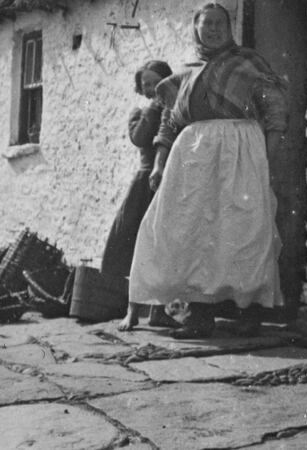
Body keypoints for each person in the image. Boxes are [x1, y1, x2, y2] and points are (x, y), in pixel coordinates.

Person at [118, 2, 288, 339]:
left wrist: (266, 160)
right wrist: (160, 164)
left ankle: (249, 313)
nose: (213, 29)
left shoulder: (248, 63)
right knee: (192, 231)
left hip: (240, 150)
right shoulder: (186, 70)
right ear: (195, 27)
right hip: (193, 155)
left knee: (242, 229)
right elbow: (169, 122)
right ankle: (199, 316)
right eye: (206, 23)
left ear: (230, 27)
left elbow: (275, 109)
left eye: (219, 23)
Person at [102, 60, 180, 329]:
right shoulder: (142, 112)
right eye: (146, 84)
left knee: (162, 247)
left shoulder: (174, 108)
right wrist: (153, 108)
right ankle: (132, 310)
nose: (151, 88)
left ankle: (158, 311)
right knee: (138, 245)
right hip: (146, 183)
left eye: (156, 82)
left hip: (170, 180)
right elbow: (140, 138)